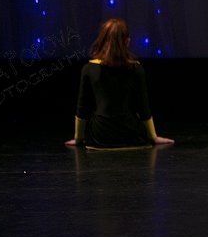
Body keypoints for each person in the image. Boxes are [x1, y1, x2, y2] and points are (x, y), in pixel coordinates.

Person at [65, 18, 174, 149]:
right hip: (131, 135)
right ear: (127, 41)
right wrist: (153, 137)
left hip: (100, 137)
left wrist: (78, 138)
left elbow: (83, 108)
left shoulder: (89, 69)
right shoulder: (136, 69)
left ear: (102, 41)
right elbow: (143, 107)